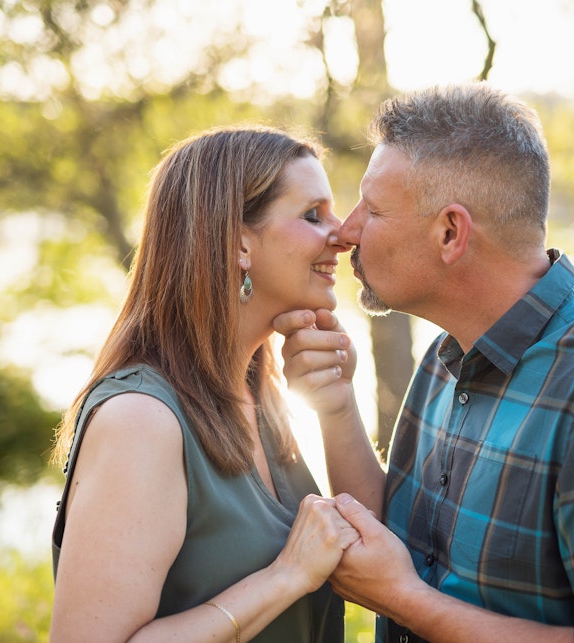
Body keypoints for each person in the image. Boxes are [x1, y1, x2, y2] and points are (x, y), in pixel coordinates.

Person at [275, 83, 574, 642]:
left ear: (450, 233)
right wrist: (337, 406)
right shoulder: (447, 358)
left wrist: (405, 601)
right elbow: (401, 545)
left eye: (375, 209)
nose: (346, 230)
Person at [49, 125, 360, 643]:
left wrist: (338, 407)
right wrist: (286, 577)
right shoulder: (140, 421)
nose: (344, 233)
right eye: (313, 215)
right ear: (239, 243)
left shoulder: (261, 395)